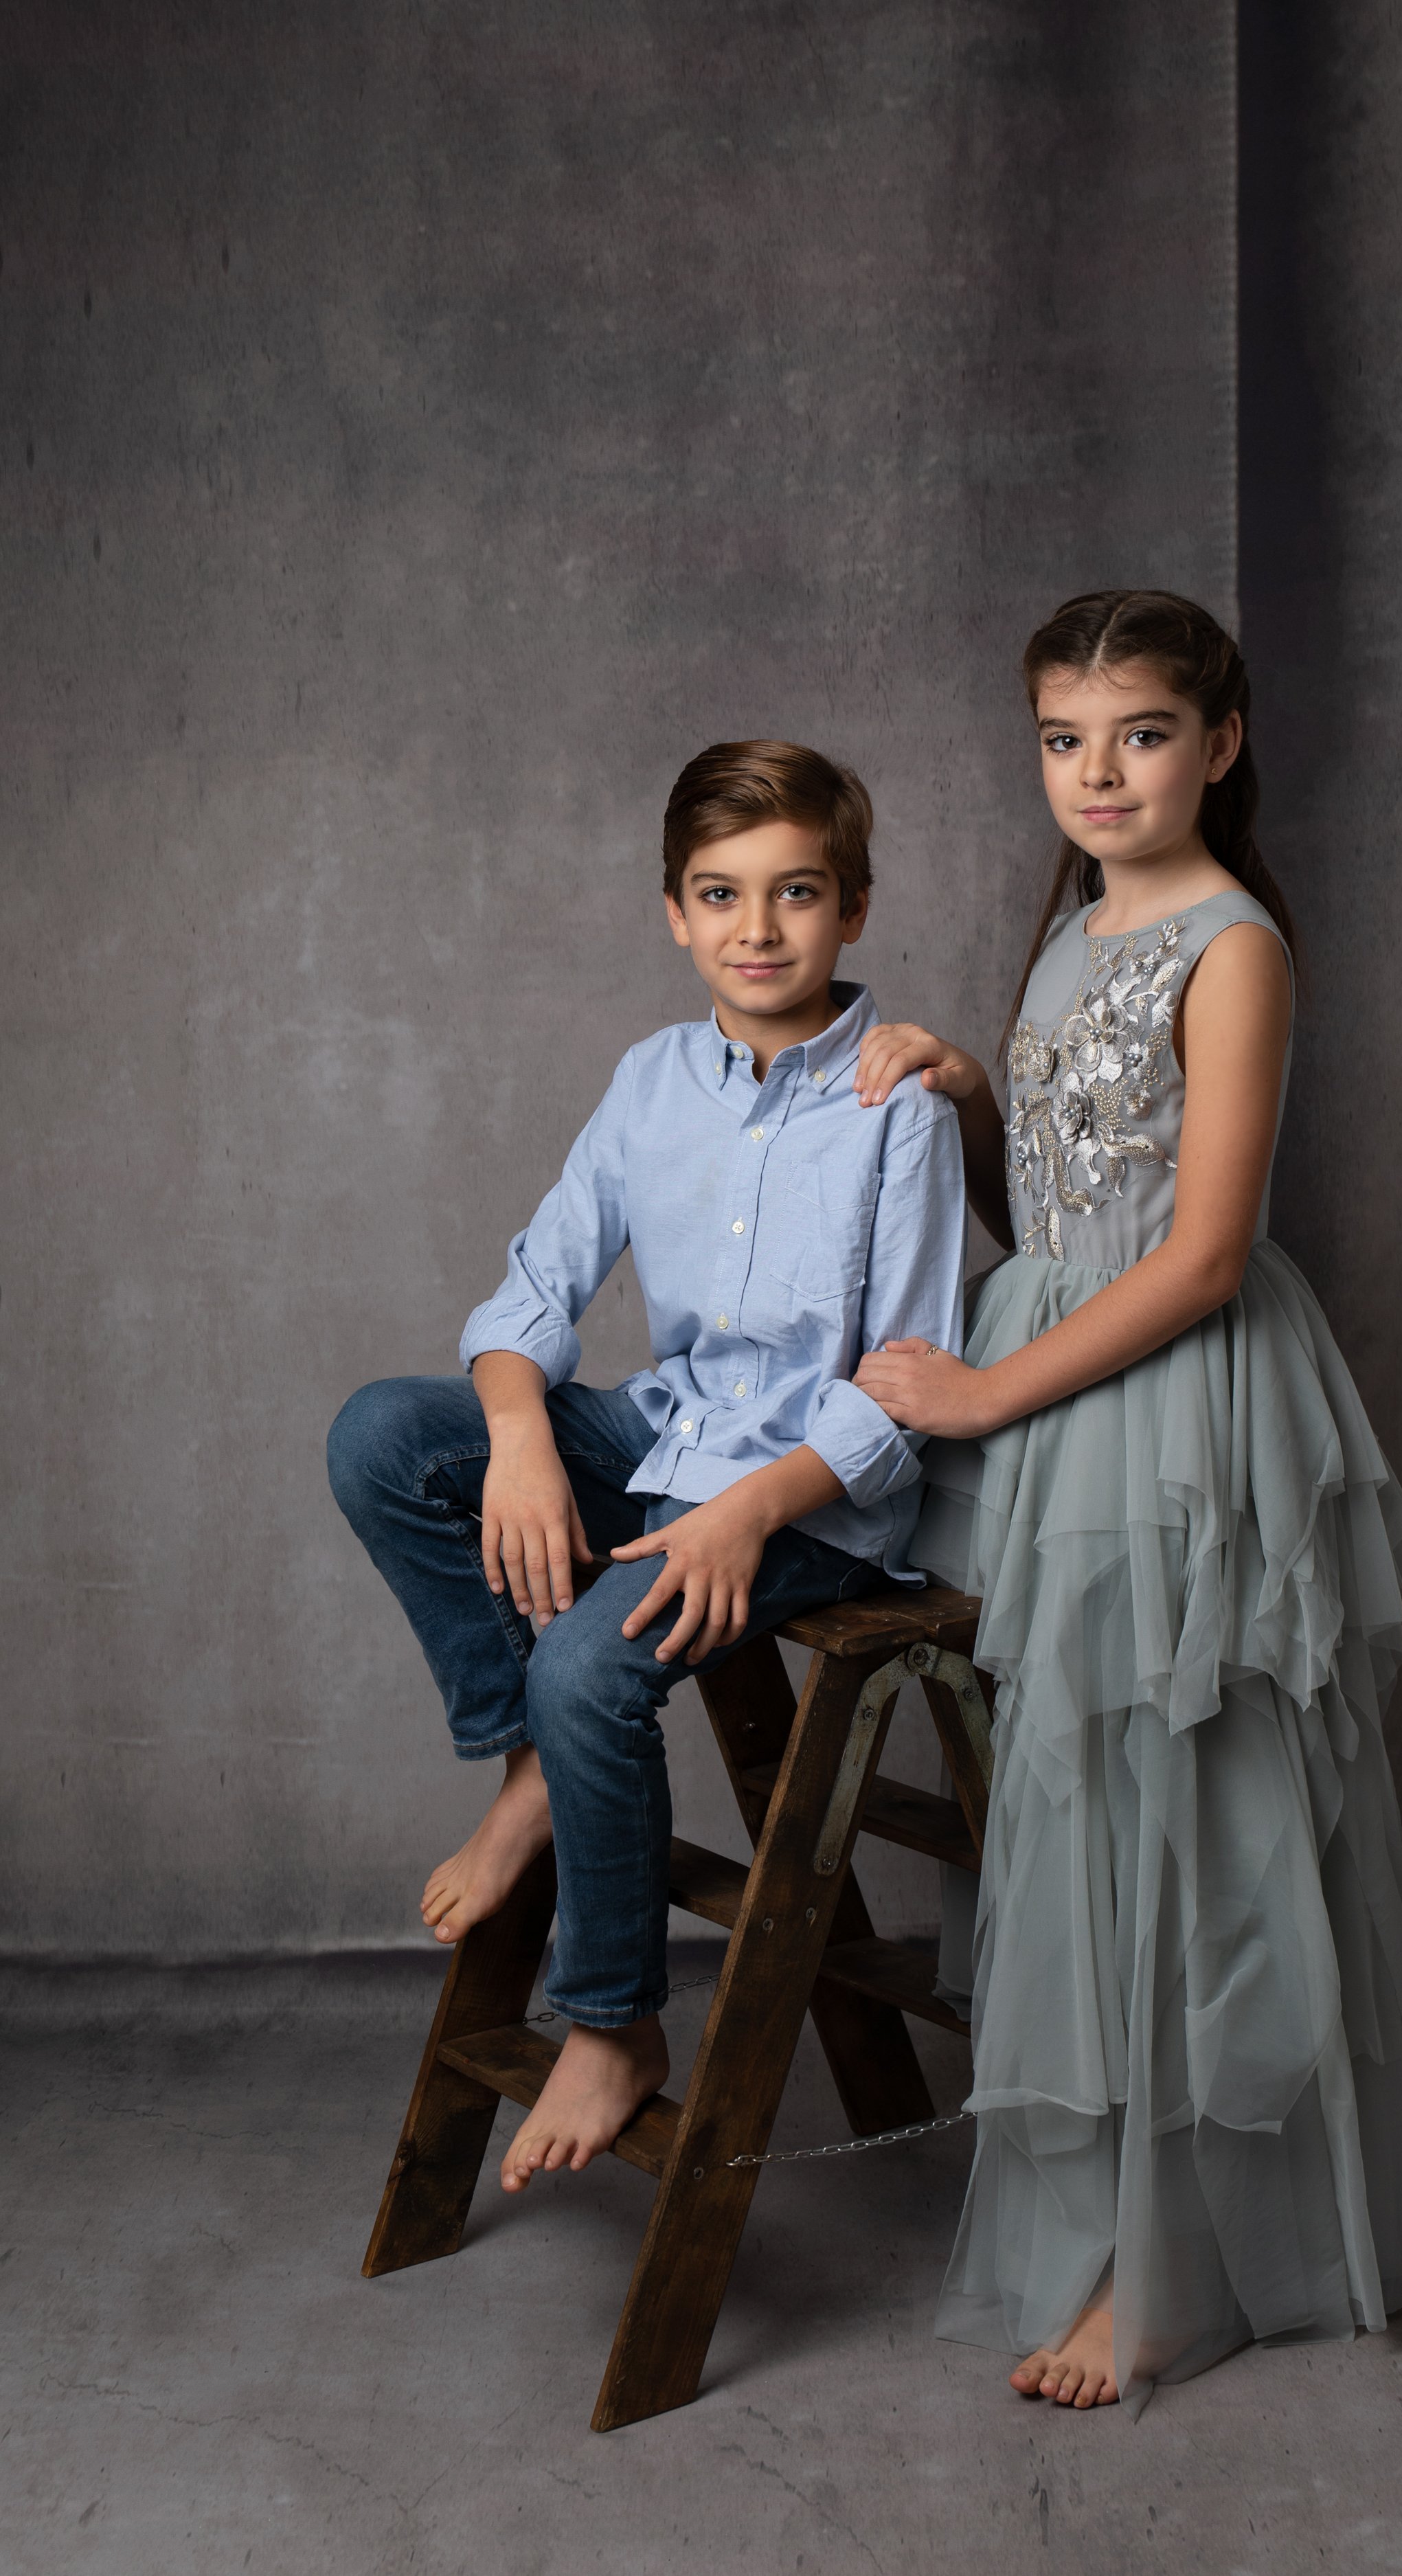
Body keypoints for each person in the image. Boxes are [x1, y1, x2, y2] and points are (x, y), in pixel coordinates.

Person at [852, 591, 1402, 2415]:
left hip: (1176, 1408)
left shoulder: (1231, 944)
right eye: (1060, 738)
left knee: (1195, 1810)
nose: (1096, 774)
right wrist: (963, 1095)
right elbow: (1066, 1216)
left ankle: (1180, 2262)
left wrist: (974, 1391)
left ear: (1221, 741)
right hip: (1070, 1398)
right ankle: (1113, 2223)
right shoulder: (1072, 925)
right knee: (1079, 1807)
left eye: (1140, 734)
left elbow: (1196, 1258)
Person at [328, 741, 966, 2193]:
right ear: (673, 913)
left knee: (587, 1664)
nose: (757, 929)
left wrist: (748, 1511)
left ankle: (613, 2023)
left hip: (815, 1491)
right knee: (383, 1430)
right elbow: (531, 1291)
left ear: (850, 907)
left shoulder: (898, 1108)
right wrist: (517, 1442)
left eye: (795, 892)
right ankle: (534, 1765)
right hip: (665, 1428)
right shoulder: (650, 1081)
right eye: (719, 895)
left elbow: (904, 1395)